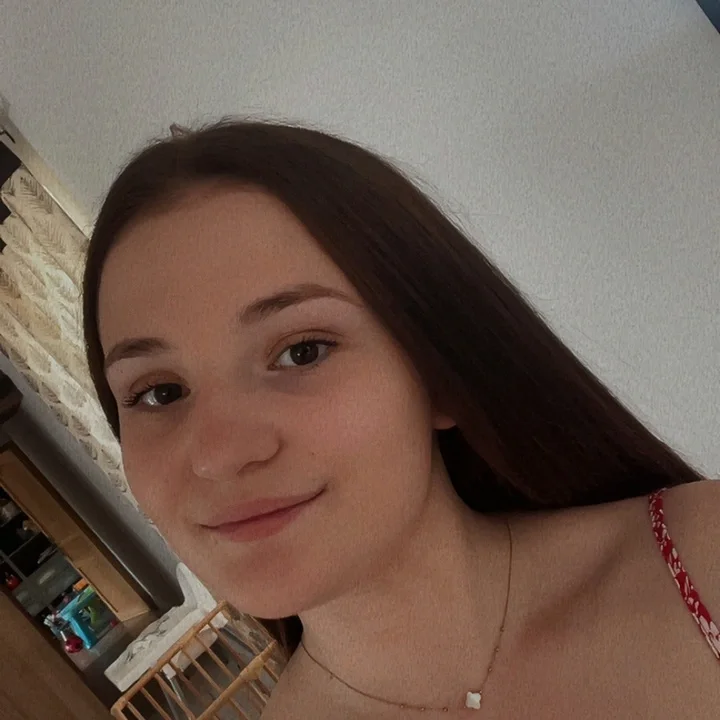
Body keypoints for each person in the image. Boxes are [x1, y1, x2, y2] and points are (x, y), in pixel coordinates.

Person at [83, 120, 718, 718]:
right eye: (159, 392)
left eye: (302, 351)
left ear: (439, 370)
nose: (219, 454)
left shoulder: (701, 563)